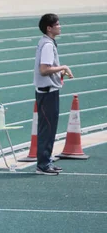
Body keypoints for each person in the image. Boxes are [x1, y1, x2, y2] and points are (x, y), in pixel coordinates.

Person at [34, 13, 74, 175]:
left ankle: (46, 161)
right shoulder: (48, 45)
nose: (60, 26)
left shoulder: (46, 42)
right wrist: (63, 67)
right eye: (57, 24)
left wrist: (59, 72)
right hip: (47, 93)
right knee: (47, 129)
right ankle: (43, 165)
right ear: (49, 28)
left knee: (49, 128)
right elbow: (44, 69)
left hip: (49, 91)